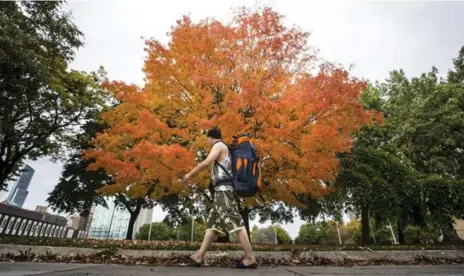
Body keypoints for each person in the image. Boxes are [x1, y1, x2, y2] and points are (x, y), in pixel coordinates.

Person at [183, 128, 258, 269]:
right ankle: (199, 256)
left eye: (208, 140)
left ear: (211, 137)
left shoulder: (219, 145)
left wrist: (189, 174)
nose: (208, 143)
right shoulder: (226, 148)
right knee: (212, 225)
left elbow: (207, 162)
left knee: (235, 222)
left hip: (224, 192)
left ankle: (249, 257)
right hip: (220, 193)